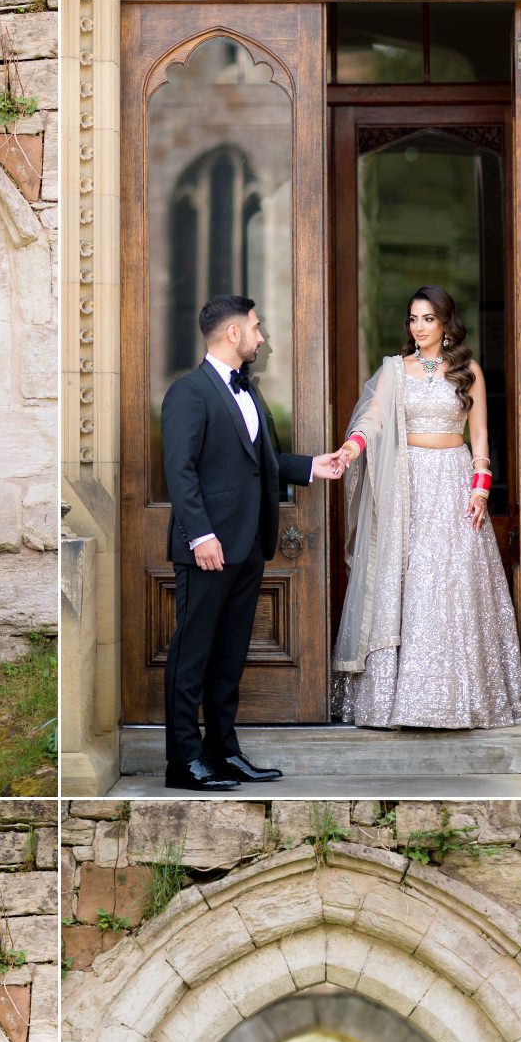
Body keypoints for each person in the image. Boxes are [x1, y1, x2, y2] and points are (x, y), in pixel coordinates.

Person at [160, 295, 344, 791]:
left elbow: (263, 461)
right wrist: (201, 535)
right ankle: (184, 762)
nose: (263, 337)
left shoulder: (249, 392)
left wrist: (311, 467)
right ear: (233, 334)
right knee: (192, 655)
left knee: (229, 657)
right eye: (257, 328)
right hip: (208, 548)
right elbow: (180, 471)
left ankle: (224, 752)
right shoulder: (187, 393)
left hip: (248, 547)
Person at [332, 285, 521, 729]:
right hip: (406, 482)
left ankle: (457, 699)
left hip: (454, 480)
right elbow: (371, 419)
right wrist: (351, 448)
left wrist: (480, 489)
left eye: (427, 319)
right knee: (409, 581)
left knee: (449, 582)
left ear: (446, 323)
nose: (418, 327)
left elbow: (478, 438)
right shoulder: (393, 371)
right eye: (413, 319)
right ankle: (396, 703)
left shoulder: (468, 371)